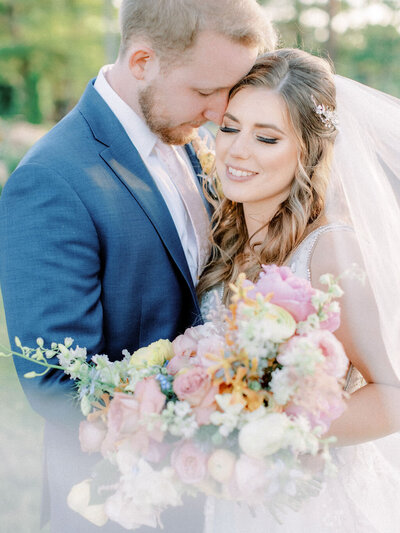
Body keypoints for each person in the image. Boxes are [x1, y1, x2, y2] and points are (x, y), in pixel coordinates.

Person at [0, 0, 275, 425]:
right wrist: (215, 412)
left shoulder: (185, 136)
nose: (220, 113)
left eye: (229, 91)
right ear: (143, 61)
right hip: (119, 481)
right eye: (204, 92)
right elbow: (58, 382)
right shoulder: (51, 180)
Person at [198, 48, 400, 532]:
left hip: (308, 506)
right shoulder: (227, 236)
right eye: (230, 127)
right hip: (234, 498)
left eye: (266, 137)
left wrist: (270, 432)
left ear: (307, 151)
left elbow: (390, 396)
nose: (237, 150)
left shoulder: (329, 249)